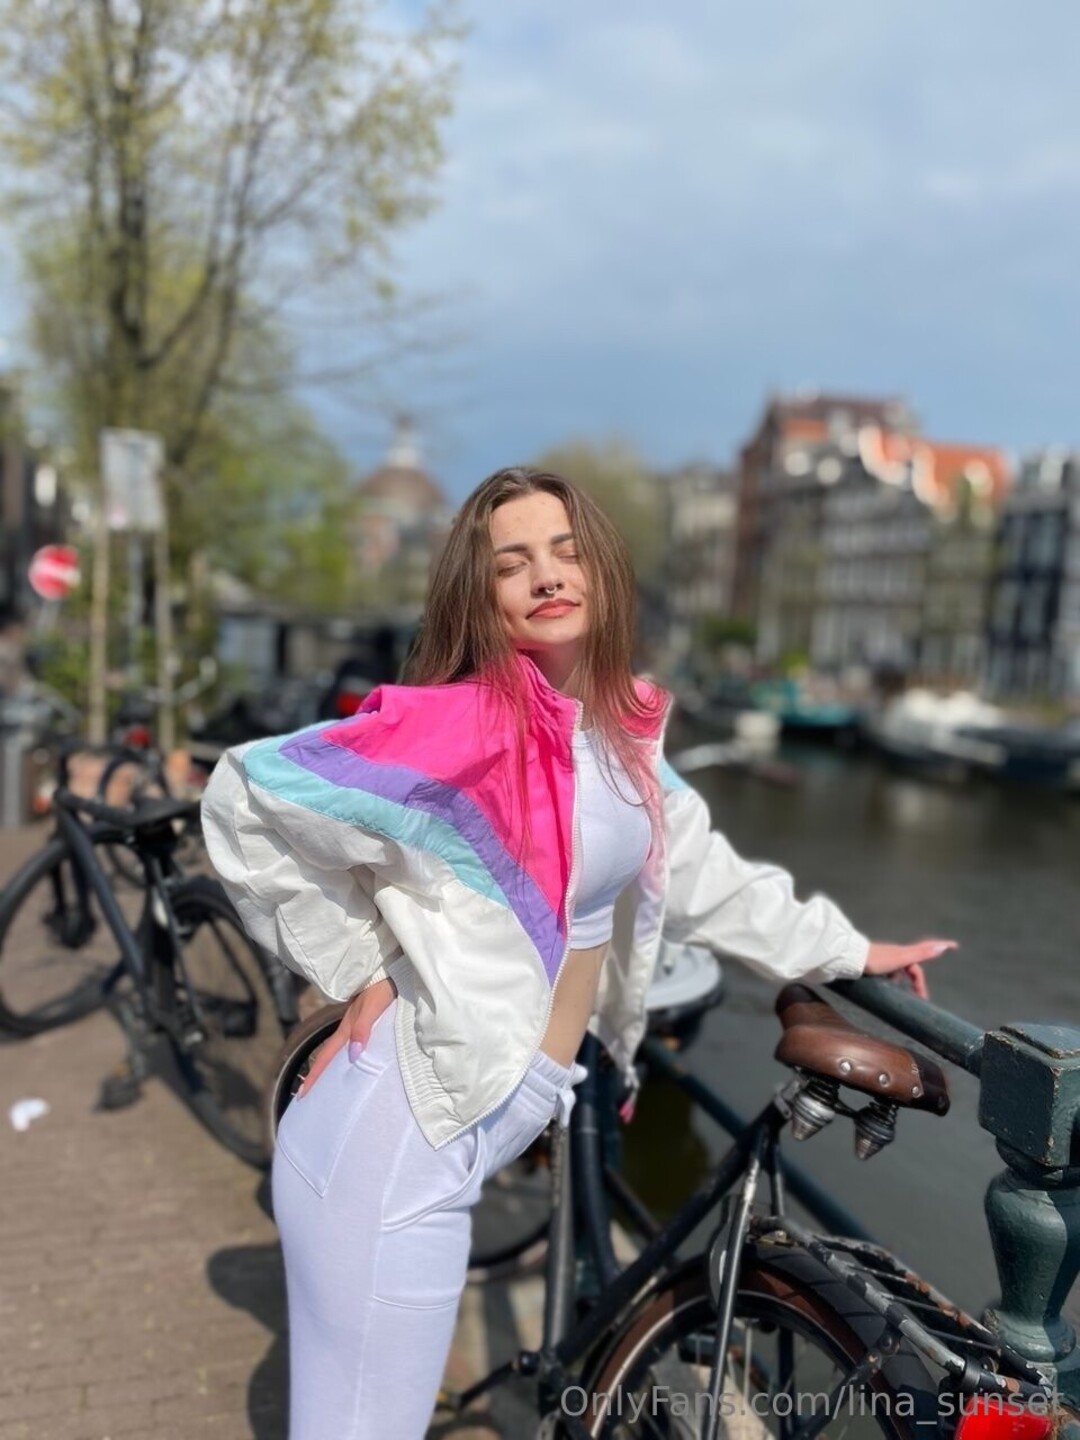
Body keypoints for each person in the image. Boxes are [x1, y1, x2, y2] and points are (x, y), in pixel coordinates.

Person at [200, 466, 955, 1439]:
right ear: (482, 596)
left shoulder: (619, 726)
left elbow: (697, 867)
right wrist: (362, 964)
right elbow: (249, 795)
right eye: (513, 563)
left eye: (565, 551)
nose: (548, 576)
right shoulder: (464, 726)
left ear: (600, 567)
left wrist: (849, 949)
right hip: (398, 1147)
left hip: (468, 1124)